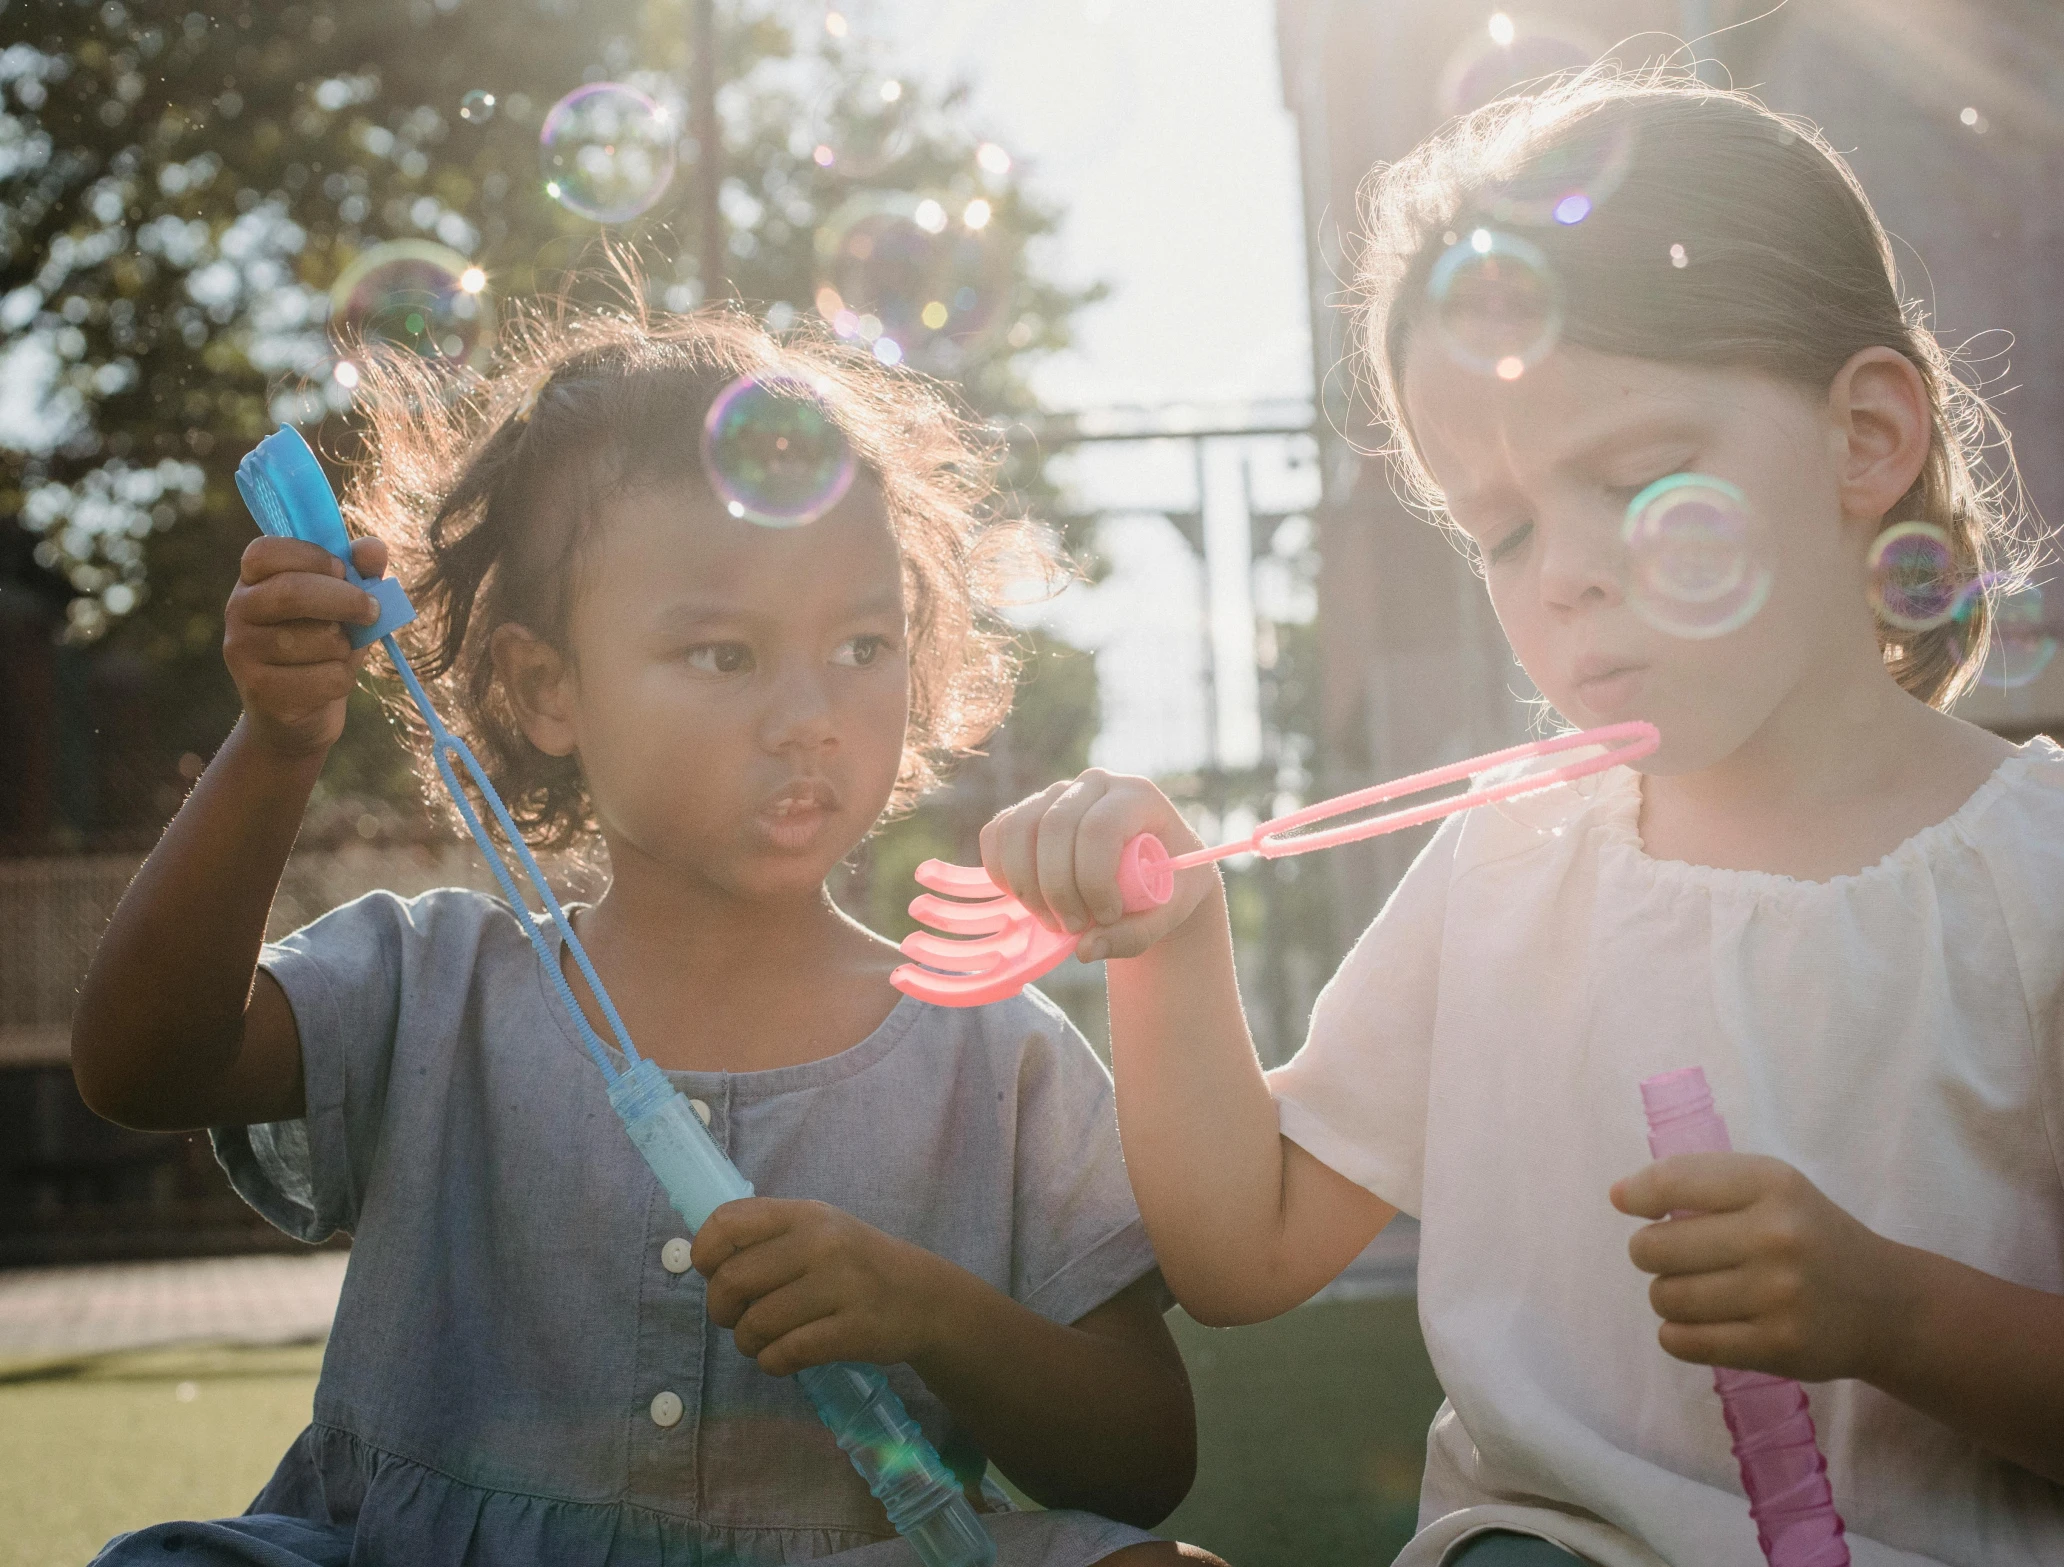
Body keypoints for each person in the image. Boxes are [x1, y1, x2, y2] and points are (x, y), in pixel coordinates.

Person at [977, 71, 2064, 1567]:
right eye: (1498, 525)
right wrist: (1170, 947)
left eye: (1632, 476)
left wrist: (1890, 1309)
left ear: (1863, 436)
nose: (1558, 570)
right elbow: (1243, 1246)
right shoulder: (1510, 863)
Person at [71, 303, 1221, 1567]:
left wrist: (930, 1309)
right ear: (546, 688)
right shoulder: (438, 984)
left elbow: (1144, 1457)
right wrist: (276, 747)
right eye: (723, 653)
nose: (808, 715)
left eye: (860, 644)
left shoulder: (993, 1048)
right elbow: (143, 1065)